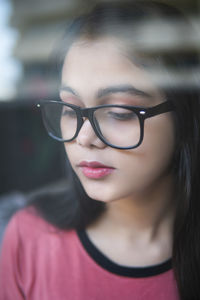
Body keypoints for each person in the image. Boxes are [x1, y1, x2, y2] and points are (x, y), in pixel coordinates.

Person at [0, 1, 200, 299]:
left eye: (119, 112)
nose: (85, 138)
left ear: (183, 115)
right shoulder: (29, 239)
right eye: (70, 109)